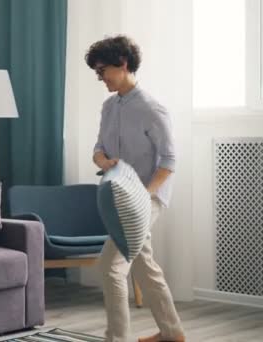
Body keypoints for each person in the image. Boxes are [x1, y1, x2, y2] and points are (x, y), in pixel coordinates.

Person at [86, 35, 186, 342]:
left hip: (148, 196)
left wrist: (144, 196)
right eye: (97, 73)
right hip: (119, 196)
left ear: (123, 63)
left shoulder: (152, 109)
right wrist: (104, 161)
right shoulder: (108, 106)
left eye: (103, 70)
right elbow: (98, 149)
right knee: (145, 266)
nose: (100, 78)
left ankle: (117, 338)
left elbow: (169, 161)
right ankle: (172, 333)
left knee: (111, 266)